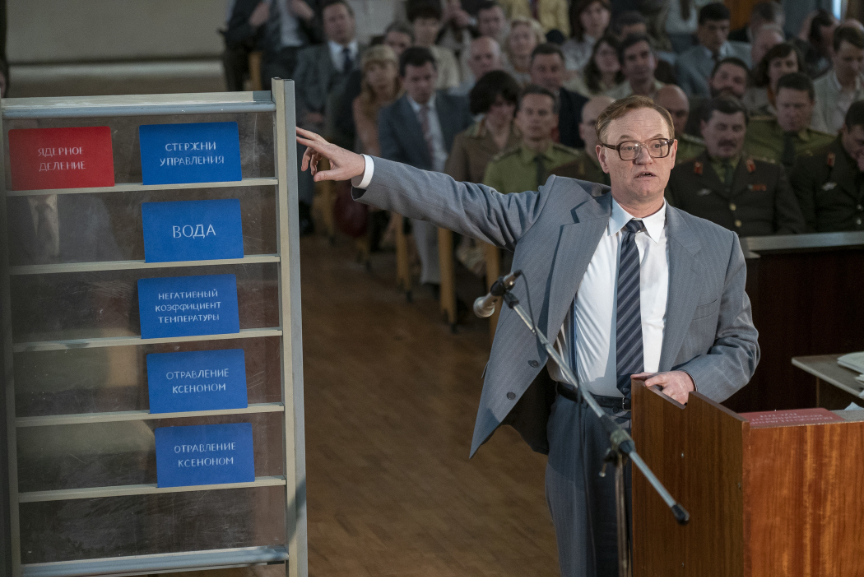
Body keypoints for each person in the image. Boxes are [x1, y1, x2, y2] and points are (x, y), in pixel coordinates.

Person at [296, 93, 759, 577]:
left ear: (674, 151)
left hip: (672, 427)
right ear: (601, 156)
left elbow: (740, 348)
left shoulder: (716, 245)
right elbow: (462, 201)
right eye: (627, 147)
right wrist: (369, 169)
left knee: (671, 562)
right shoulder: (559, 211)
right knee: (584, 564)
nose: (644, 158)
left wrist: (690, 380)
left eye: (656, 144)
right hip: (580, 424)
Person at [378, 47, 473, 288]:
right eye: (415, 79)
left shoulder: (457, 104)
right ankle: (439, 285)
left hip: (460, 180)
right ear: (402, 80)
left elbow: (472, 147)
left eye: (428, 78)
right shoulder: (390, 115)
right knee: (425, 214)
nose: (423, 85)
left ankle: (474, 266)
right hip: (420, 184)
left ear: (436, 75)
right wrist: (428, 180)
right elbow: (392, 160)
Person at [667, 96, 805, 236]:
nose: (729, 136)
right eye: (721, 128)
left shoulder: (771, 173)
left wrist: (771, 252)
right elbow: (671, 231)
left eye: (736, 129)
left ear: (746, 130)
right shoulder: (679, 176)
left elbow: (793, 225)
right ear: (703, 128)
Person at [293, 0, 363, 233]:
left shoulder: (370, 54)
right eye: (331, 20)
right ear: (324, 27)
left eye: (342, 17)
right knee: (304, 139)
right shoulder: (310, 56)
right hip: (321, 123)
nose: (338, 24)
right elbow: (294, 91)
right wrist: (305, 113)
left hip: (360, 124)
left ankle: (372, 211)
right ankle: (303, 209)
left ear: (353, 20)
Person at [483, 85, 579, 193]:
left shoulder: (574, 161)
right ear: (518, 119)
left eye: (542, 113)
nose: (535, 118)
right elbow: (490, 209)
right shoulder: (499, 167)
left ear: (555, 120)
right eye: (529, 112)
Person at [792, 100, 864, 232]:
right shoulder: (811, 165)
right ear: (844, 129)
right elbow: (805, 225)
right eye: (861, 142)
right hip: (831, 247)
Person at [745, 72, 835, 169]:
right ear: (776, 102)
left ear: (812, 104)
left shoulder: (826, 144)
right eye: (786, 106)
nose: (792, 114)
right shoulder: (750, 131)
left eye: (799, 106)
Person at [447, 71, 522, 183]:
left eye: (509, 104)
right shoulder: (464, 141)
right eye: (498, 104)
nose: (505, 111)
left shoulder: (526, 136)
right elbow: (454, 185)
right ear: (485, 104)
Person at [675, 3, 751, 98]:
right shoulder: (685, 63)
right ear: (700, 29)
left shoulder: (747, 53)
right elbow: (688, 101)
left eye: (723, 28)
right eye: (712, 28)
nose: (718, 34)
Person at [528, 43, 589, 148]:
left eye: (554, 69)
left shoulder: (582, 106)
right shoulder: (517, 105)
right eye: (541, 69)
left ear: (563, 71)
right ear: (530, 72)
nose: (548, 76)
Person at [550, 95, 614, 184]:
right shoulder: (561, 177)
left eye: (608, 122)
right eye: (593, 123)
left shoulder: (636, 171)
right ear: (582, 131)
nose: (601, 130)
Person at [812, 26, 864, 134]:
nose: (855, 66)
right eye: (848, 59)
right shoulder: (815, 90)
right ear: (833, 55)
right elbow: (819, 133)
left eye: (860, 59)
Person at [353, 45, 403, 156]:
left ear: (395, 69)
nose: (378, 73)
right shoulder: (361, 103)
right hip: (377, 163)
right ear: (366, 77)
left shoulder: (409, 96)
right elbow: (371, 144)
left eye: (383, 66)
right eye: (371, 69)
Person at [258, 0, 318, 91]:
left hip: (305, 51)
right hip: (274, 56)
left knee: (312, 80)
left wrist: (310, 17)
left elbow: (326, 35)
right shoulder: (254, 2)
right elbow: (233, 35)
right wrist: (251, 24)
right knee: (280, 87)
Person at [684, 56, 749, 136]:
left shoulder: (754, 122)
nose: (729, 84)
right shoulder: (686, 114)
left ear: (746, 89)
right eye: (723, 77)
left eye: (737, 81)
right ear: (710, 81)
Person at [741, 42, 803, 118]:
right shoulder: (751, 96)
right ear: (768, 70)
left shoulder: (809, 96)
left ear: (798, 69)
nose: (783, 70)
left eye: (789, 64)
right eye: (777, 64)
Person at [409, 3, 462, 90]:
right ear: (413, 26)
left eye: (433, 24)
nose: (428, 29)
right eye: (423, 23)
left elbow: (453, 86)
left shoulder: (447, 55)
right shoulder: (405, 54)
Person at [654, 84, 705, 163]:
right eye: (667, 113)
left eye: (680, 114)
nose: (673, 120)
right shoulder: (635, 147)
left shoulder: (699, 151)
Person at [605, 33, 665, 99]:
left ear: (655, 60)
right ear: (623, 68)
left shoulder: (670, 94)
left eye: (644, 55)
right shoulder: (611, 99)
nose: (639, 63)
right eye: (631, 58)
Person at [561, 0, 611, 72]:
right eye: (588, 12)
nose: (594, 17)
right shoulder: (568, 49)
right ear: (579, 17)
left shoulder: (618, 45)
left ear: (608, 14)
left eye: (598, 11)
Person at [792, 9, 837, 79]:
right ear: (814, 42)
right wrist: (803, 35)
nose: (835, 47)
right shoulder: (814, 62)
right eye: (829, 43)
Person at [503, 16, 545, 85]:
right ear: (507, 43)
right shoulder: (503, 72)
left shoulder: (546, 70)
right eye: (516, 37)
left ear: (537, 40)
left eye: (526, 36)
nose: (521, 42)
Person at [498, 0, 570, 36]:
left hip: (549, 37)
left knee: (556, 34)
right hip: (521, 36)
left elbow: (564, 28)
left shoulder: (558, 1)